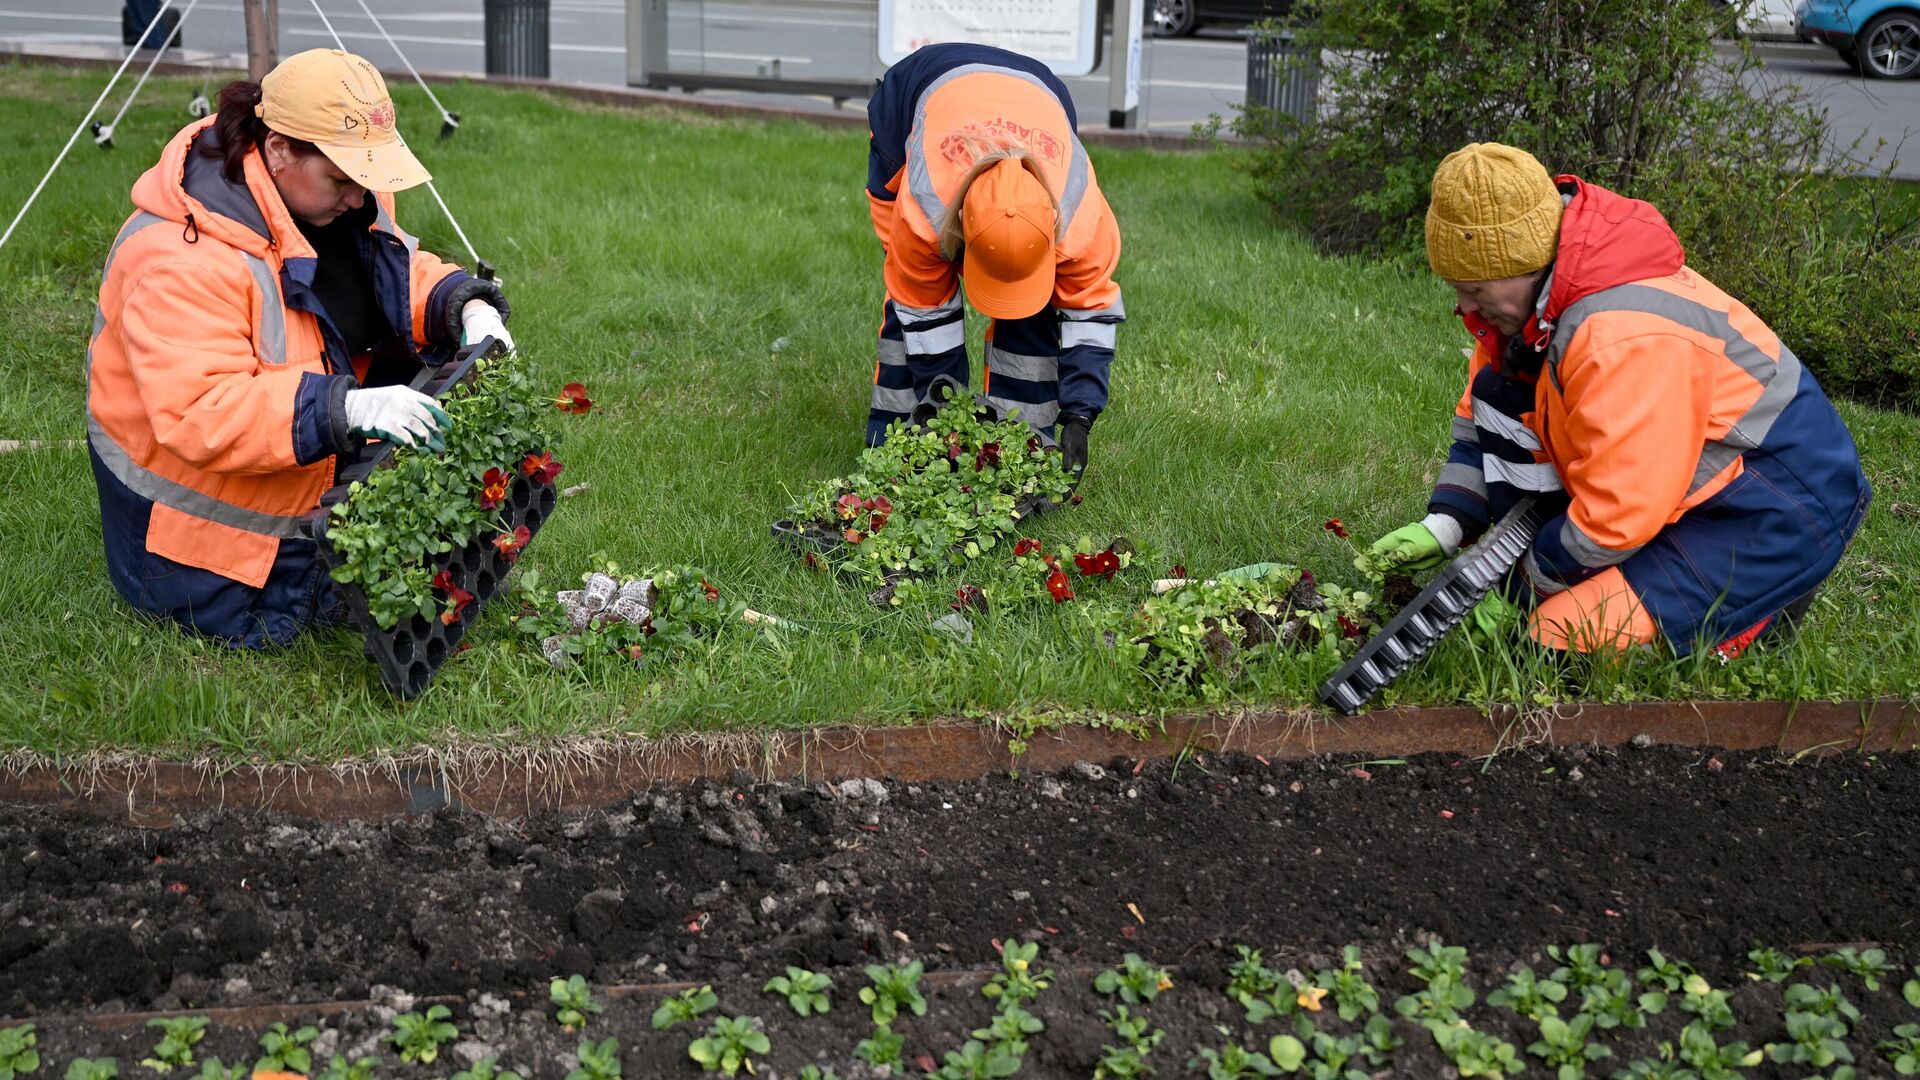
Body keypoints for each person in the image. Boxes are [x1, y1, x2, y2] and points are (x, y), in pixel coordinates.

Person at [1367, 143, 1869, 657]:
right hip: (1670, 497)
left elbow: (1617, 513)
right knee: (1500, 387)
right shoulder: (1526, 317)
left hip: (1771, 505)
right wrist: (1446, 523)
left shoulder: (1618, 334)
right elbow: (1484, 421)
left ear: (1524, 263)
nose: (1462, 305)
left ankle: (1757, 617)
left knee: (1551, 640)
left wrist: (1521, 588)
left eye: (1473, 287)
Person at [87, 49, 514, 648]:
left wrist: (460, 303)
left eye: (370, 177)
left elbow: (387, 273)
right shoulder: (178, 258)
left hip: (286, 482)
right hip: (208, 556)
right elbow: (201, 410)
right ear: (280, 149)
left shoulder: (332, 193)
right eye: (344, 179)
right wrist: (347, 410)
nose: (361, 197)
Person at [862, 42, 1124, 483]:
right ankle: (895, 443)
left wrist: (1080, 415)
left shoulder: (1080, 216)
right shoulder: (924, 210)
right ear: (961, 229)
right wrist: (937, 404)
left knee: (1033, 314)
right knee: (906, 301)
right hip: (912, 96)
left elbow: (1090, 311)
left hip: (1040, 91)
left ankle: (1021, 447)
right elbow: (922, 307)